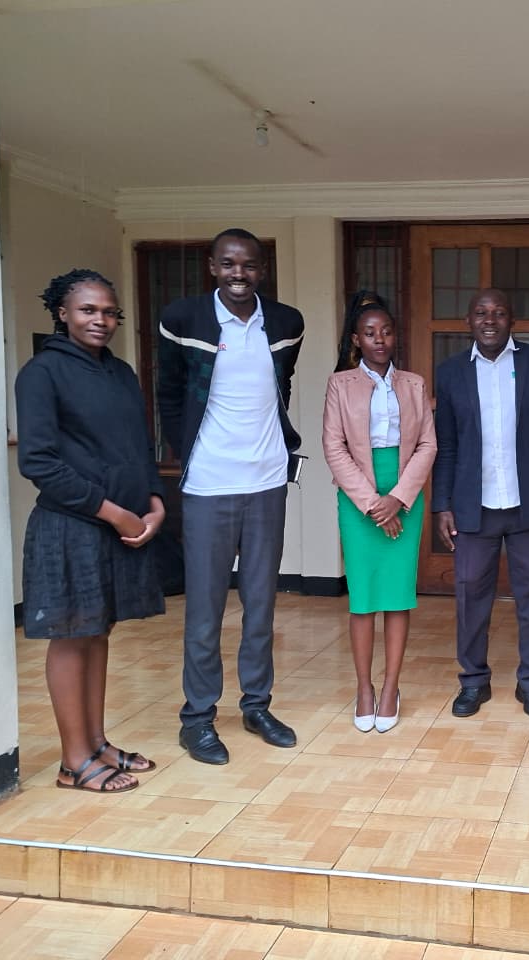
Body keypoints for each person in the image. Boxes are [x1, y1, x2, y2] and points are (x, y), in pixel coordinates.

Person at [157, 228, 305, 765]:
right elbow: (169, 393)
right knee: (205, 611)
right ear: (212, 266)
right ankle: (197, 718)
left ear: (261, 269)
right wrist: (189, 451)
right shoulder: (183, 319)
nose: (238, 273)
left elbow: (280, 386)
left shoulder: (286, 323)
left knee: (261, 607)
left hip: (266, 482)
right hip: (208, 486)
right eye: (228, 264)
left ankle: (256, 705)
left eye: (248, 264)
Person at [16, 269, 165, 793]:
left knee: (97, 633)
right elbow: (38, 463)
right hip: (70, 527)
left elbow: (137, 444)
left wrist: (153, 502)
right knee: (71, 637)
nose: (100, 320)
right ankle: (73, 760)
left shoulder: (120, 373)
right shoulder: (42, 373)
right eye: (87, 310)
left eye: (109, 312)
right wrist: (113, 512)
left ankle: (97, 743)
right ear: (62, 313)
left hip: (116, 523)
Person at [432, 289, 529, 719]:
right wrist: (443, 504)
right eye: (481, 312)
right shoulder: (451, 371)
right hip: (473, 507)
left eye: (499, 312)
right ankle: (473, 682)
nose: (489, 320)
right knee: (470, 598)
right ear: (468, 320)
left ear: (513, 320)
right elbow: (447, 444)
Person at [322, 292, 437, 733]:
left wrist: (399, 499)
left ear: (395, 336)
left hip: (405, 491)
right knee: (364, 598)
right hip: (358, 498)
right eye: (370, 333)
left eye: (386, 331)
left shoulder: (413, 383)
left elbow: (428, 443)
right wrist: (373, 503)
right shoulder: (341, 384)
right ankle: (364, 688)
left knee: (397, 594)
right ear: (356, 339)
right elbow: (334, 447)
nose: (379, 339)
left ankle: (390, 687)